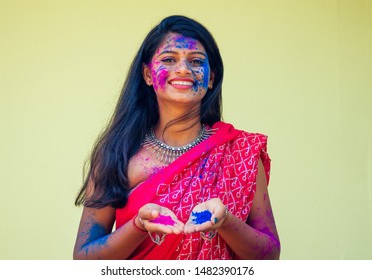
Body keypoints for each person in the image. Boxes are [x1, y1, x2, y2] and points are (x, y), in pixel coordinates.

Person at [73, 15, 280, 260]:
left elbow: (270, 255)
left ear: (211, 77)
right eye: (169, 59)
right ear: (148, 75)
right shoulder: (118, 153)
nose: (183, 69)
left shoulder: (240, 152)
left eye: (196, 61)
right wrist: (139, 225)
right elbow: (84, 258)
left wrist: (225, 221)